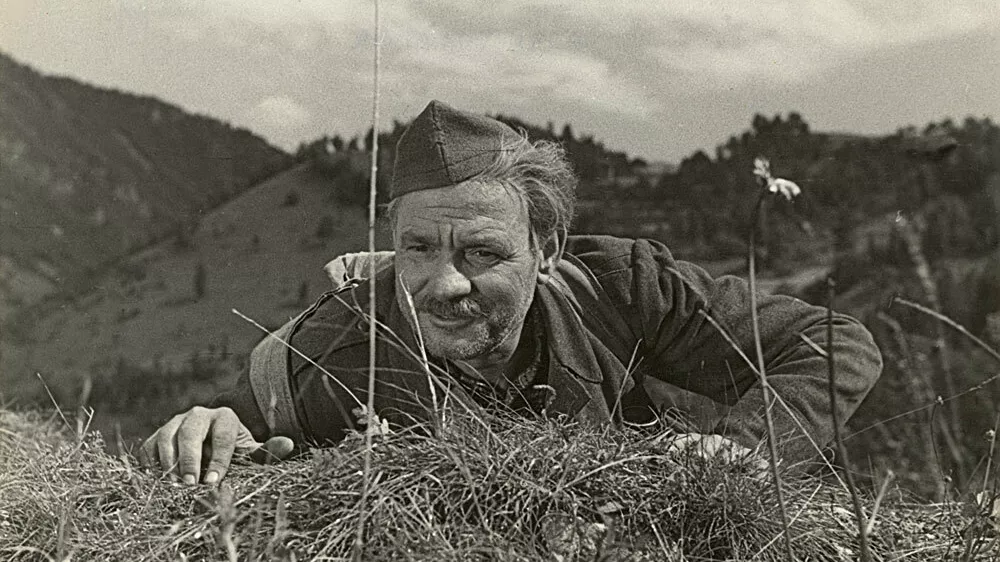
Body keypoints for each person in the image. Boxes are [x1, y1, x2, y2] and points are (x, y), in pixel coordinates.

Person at [140, 100, 882, 485]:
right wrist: (205, 427)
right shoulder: (333, 352)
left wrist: (741, 449)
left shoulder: (622, 287)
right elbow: (231, 425)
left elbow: (835, 344)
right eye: (419, 249)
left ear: (548, 248)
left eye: (483, 252)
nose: (445, 284)